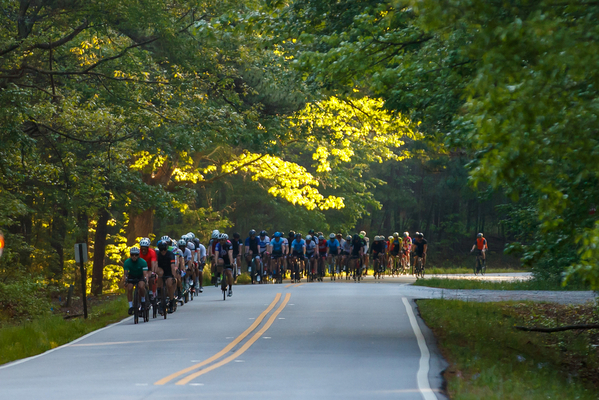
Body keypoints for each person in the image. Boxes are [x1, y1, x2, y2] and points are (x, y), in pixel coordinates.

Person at [123, 247, 149, 315]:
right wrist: (125, 280)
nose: (134, 256)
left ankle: (143, 301)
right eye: (132, 255)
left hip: (140, 276)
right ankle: (131, 306)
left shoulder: (143, 262)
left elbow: (145, 274)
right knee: (129, 288)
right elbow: (125, 273)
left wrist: (146, 280)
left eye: (136, 255)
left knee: (141, 286)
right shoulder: (127, 262)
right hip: (131, 276)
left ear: (138, 255)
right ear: (130, 255)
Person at [156, 240, 178, 313]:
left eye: (164, 249)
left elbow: (172, 266)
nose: (163, 251)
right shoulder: (157, 255)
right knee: (160, 283)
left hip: (169, 271)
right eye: (161, 250)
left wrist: (174, 277)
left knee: (169, 284)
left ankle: (171, 301)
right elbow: (155, 266)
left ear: (167, 248)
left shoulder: (170, 254)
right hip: (161, 271)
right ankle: (160, 297)